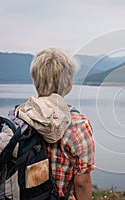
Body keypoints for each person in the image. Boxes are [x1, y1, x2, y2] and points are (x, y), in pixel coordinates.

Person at [15, 48, 95, 200]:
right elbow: (82, 182)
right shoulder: (78, 125)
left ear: (35, 79)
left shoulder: (20, 115)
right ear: (68, 82)